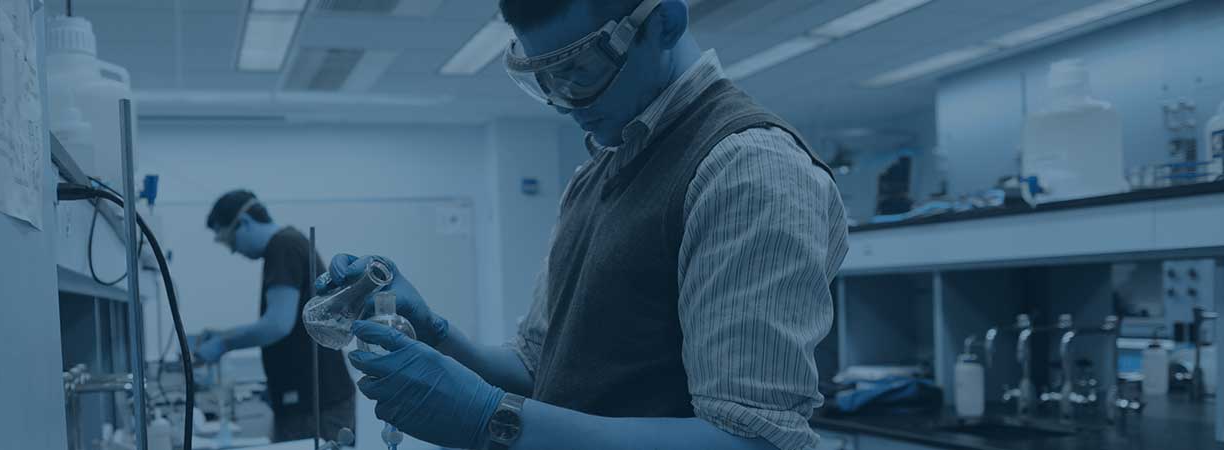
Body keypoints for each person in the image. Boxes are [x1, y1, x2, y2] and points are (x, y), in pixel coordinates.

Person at [319, 1, 848, 449]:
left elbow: (752, 440)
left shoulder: (746, 168)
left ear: (664, 23)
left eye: (581, 70)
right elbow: (539, 369)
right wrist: (435, 333)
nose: (563, 101)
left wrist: (493, 419)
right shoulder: (596, 173)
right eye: (543, 78)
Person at [194, 190, 356, 443]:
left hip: (315, 404)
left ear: (245, 222)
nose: (233, 251)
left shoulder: (283, 246)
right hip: (314, 399)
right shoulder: (288, 243)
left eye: (229, 240)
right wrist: (222, 334)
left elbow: (277, 325)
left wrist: (225, 344)